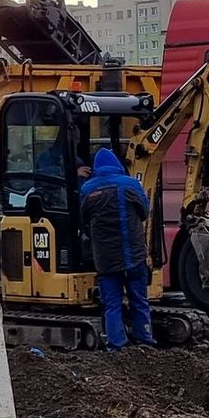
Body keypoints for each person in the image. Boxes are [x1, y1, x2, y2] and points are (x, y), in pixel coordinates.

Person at [80, 148, 155, 350]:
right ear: (118, 165)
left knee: (112, 305)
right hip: (134, 255)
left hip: (106, 260)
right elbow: (145, 211)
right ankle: (145, 340)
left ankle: (117, 345)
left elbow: (84, 218)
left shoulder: (87, 189)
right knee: (139, 301)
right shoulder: (130, 184)